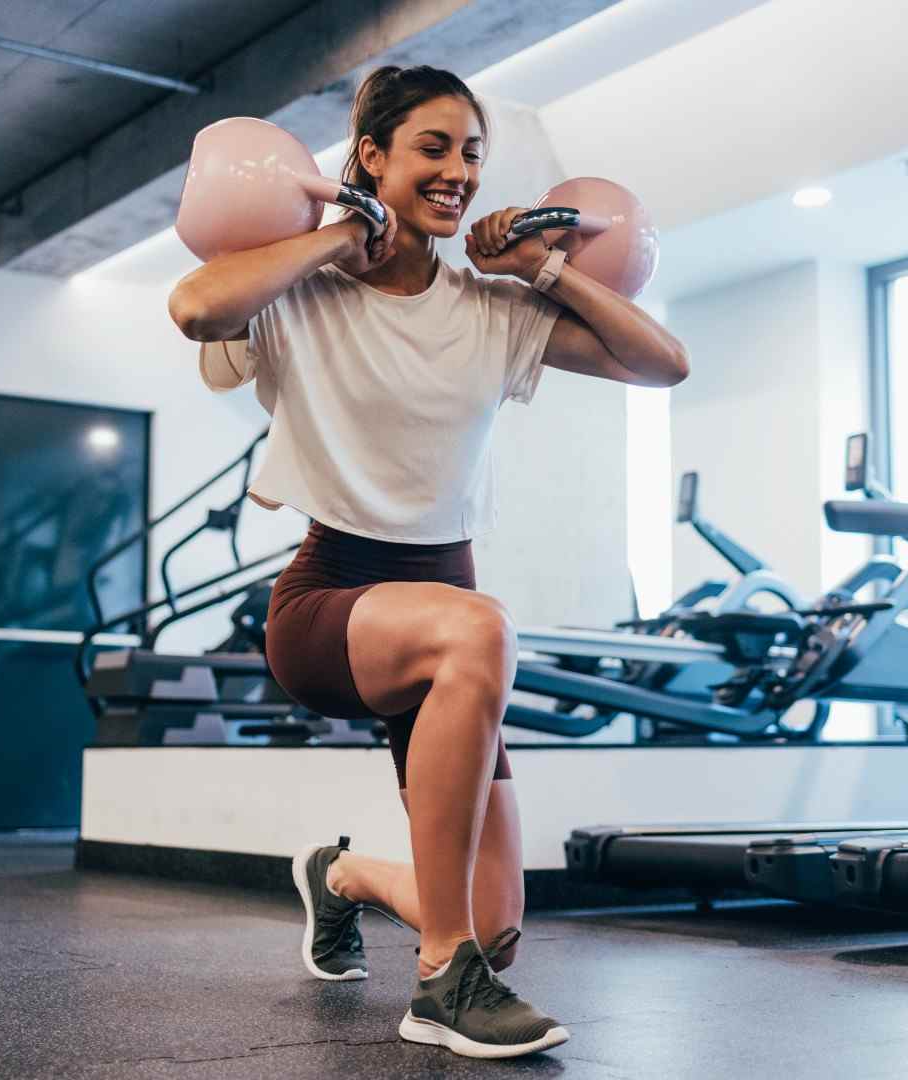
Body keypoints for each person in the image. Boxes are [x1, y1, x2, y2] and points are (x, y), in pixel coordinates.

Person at [170, 64, 689, 1060]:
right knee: (481, 625)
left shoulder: (487, 308)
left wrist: (541, 269)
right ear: (372, 155)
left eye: (473, 153)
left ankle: (346, 879)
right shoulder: (301, 290)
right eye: (434, 148)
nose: (459, 172)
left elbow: (662, 364)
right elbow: (196, 307)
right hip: (332, 604)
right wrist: (335, 235)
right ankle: (440, 980)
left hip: (448, 626)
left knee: (499, 927)